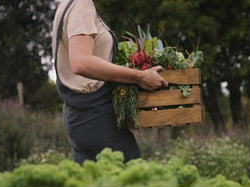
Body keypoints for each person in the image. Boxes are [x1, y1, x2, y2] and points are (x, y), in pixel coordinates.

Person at [52, 0, 168, 165]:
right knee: (135, 182)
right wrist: (139, 76)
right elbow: (81, 62)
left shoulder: (68, 4)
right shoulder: (82, 4)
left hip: (80, 115)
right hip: (95, 117)